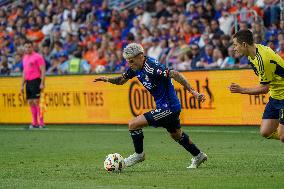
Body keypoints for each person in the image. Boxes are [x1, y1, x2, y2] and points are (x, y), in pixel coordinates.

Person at [94, 43, 208, 169]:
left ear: (140, 56)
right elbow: (121, 80)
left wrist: (193, 92)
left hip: (168, 108)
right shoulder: (135, 68)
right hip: (167, 107)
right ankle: (198, 155)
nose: (129, 64)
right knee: (176, 135)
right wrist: (107, 79)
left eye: (131, 61)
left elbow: (175, 74)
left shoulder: (152, 67)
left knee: (133, 124)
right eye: (127, 61)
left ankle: (139, 155)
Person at [229, 30, 284, 142]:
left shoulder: (263, 59)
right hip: (275, 96)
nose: (234, 48)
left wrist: (241, 89)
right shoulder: (251, 54)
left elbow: (264, 88)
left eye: (235, 45)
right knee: (265, 132)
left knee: (282, 136)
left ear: (244, 44)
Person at [21, 40, 46, 129]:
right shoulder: (24, 58)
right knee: (30, 102)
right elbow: (24, 72)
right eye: (26, 47)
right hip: (28, 82)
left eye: (29, 46)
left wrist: (42, 83)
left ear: (32, 47)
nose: (27, 48)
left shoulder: (38, 57)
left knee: (37, 101)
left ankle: (41, 122)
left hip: (36, 81)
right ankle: (34, 122)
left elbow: (42, 70)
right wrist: (22, 84)